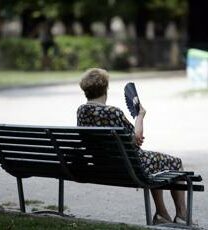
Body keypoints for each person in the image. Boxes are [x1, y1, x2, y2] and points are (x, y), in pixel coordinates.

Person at [77, 68, 187, 225]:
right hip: (128, 165)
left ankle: (162, 213)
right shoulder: (113, 113)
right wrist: (140, 116)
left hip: (101, 165)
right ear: (105, 89)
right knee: (175, 162)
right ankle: (182, 214)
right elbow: (137, 139)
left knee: (154, 162)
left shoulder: (81, 111)